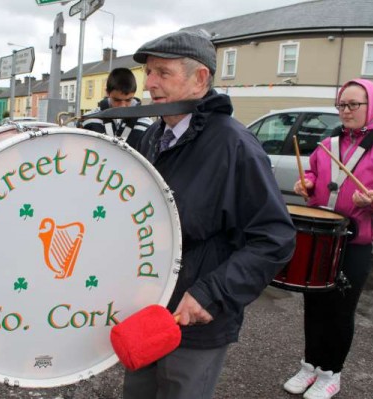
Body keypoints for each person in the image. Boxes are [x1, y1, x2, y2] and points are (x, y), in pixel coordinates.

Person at [123, 30, 296, 399]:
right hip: (146, 307)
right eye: (148, 73)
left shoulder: (235, 145)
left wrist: (211, 294)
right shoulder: (153, 136)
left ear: (200, 79)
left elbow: (274, 238)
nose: (149, 83)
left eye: (162, 73)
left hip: (194, 320)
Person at [286, 79, 373, 399]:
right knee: (314, 305)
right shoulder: (328, 143)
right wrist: (306, 183)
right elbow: (316, 175)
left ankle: (331, 373)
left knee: (340, 310)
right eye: (341, 105)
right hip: (323, 238)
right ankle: (310, 366)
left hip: (357, 242)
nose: (345, 111)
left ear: (371, 105)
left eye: (353, 105)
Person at [81, 67, 152, 148]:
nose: (122, 106)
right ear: (107, 93)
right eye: (117, 100)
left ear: (134, 93)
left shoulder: (147, 125)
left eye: (128, 100)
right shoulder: (88, 120)